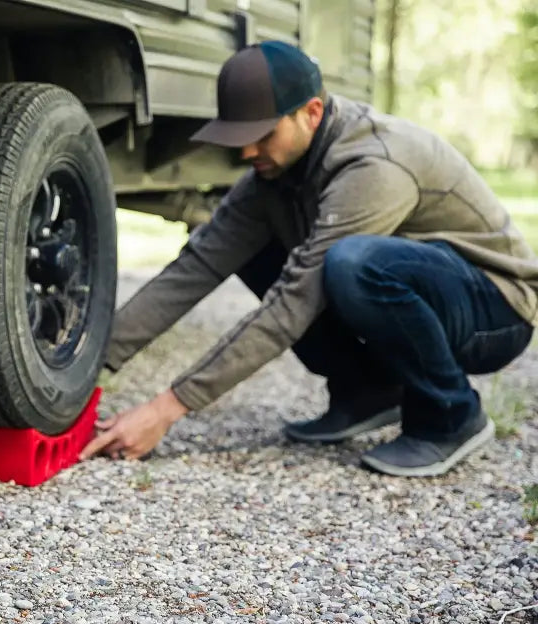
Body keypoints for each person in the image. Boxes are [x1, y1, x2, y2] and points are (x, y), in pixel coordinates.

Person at [79, 40, 538, 476]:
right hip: (430, 294)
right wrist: (89, 368)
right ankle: (368, 394)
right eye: (238, 136)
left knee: (353, 264)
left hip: (495, 309)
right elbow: (194, 269)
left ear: (312, 112)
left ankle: (451, 416)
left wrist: (167, 408)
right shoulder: (273, 174)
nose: (245, 151)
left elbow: (293, 302)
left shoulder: (374, 164)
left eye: (261, 134)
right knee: (258, 251)